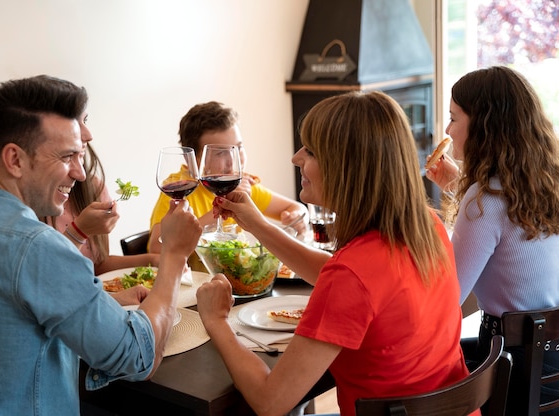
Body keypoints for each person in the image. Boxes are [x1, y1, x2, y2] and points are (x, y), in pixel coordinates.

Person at [0, 75, 202, 415]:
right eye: (67, 156)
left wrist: (100, 302)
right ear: (14, 160)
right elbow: (138, 358)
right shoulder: (37, 247)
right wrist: (175, 255)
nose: (78, 173)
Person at [196, 90, 474, 416]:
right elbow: (353, 281)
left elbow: (270, 402)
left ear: (347, 167)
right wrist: (258, 224)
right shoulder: (427, 225)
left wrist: (216, 322)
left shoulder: (352, 277)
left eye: (310, 151)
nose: (296, 157)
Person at [426, 65, 559, 415]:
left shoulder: (483, 200)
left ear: (484, 126)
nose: (446, 129)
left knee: (425, 377)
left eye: (453, 117)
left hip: (513, 367)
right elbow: (514, 228)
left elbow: (447, 297)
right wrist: (461, 188)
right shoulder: (547, 182)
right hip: (552, 365)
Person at [148, 101, 307, 253]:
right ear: (192, 160)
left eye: (238, 148)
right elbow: (156, 247)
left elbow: (297, 208)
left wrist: (296, 218)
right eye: (220, 153)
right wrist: (225, 206)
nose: (233, 162)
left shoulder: (242, 186)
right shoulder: (180, 190)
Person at [38, 76, 160, 275]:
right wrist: (79, 232)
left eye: (85, 120)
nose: (88, 134)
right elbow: (42, 278)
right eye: (75, 123)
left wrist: (155, 260)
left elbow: (97, 265)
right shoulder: (28, 201)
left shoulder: (91, 187)